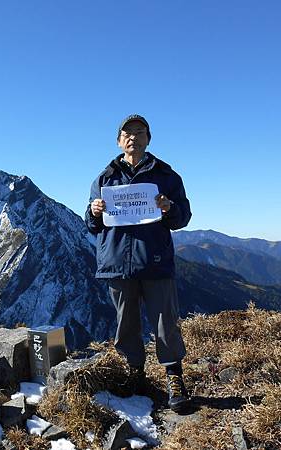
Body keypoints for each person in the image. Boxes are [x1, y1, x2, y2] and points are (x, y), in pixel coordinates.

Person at [84, 114, 192, 412]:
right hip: (118, 263)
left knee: (165, 323)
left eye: (139, 132)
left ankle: (174, 377)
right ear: (119, 140)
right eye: (127, 133)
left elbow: (183, 217)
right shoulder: (105, 179)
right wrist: (93, 211)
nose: (133, 137)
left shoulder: (167, 176)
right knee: (126, 325)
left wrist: (169, 208)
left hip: (154, 260)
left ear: (148, 139)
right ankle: (134, 375)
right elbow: (92, 225)